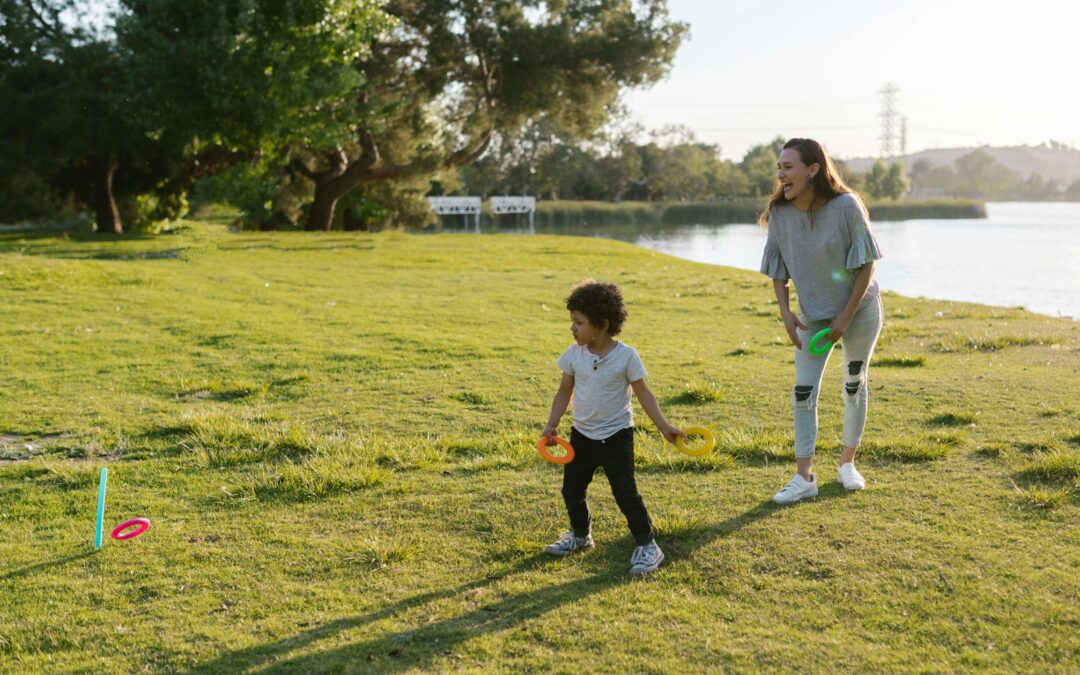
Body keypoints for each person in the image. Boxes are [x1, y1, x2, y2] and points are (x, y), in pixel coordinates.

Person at [759, 138, 885, 504]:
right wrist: (785, 311)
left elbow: (866, 265)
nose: (781, 174)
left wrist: (845, 317)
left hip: (859, 310)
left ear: (813, 170)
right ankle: (804, 477)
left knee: (853, 382)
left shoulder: (846, 206)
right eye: (779, 167)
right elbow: (777, 269)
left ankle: (847, 464)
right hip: (812, 316)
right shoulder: (780, 214)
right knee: (803, 392)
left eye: (788, 167)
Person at [540, 279, 683, 576]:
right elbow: (564, 392)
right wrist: (552, 426)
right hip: (582, 435)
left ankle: (647, 545)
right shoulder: (574, 354)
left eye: (579, 322)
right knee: (572, 489)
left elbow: (644, 393)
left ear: (602, 324)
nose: (572, 328)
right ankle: (581, 535)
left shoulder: (627, 356)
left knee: (625, 493)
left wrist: (664, 426)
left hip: (617, 436)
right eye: (572, 321)